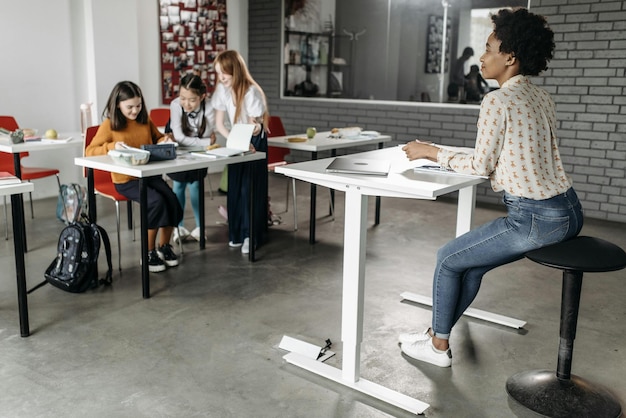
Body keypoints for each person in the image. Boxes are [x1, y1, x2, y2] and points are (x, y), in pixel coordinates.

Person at [399, 8, 584, 368]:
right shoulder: (540, 97)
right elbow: (513, 152)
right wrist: (442, 152)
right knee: (472, 266)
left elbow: (482, 166)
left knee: (447, 259)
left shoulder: (497, 100)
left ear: (510, 57)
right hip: (569, 211)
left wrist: (430, 152)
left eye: (488, 49)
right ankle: (437, 334)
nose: (482, 57)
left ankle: (437, 348)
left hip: (534, 219)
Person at [86, 81, 183, 273]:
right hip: (125, 180)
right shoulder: (109, 125)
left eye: (138, 106)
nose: (135, 111)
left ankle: (164, 247)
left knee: (172, 200)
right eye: (129, 107)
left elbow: (157, 138)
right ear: (118, 105)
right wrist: (112, 146)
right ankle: (148, 252)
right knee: (156, 202)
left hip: (149, 175)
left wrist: (165, 139)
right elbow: (90, 151)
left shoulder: (145, 120)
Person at [211, 49, 269, 254]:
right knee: (235, 189)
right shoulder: (222, 90)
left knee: (249, 190)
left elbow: (257, 126)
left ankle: (250, 235)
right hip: (237, 140)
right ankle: (236, 233)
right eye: (218, 74)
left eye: (224, 74)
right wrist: (235, 140)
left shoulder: (251, 92)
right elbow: (219, 124)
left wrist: (246, 138)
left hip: (254, 141)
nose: (221, 78)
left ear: (234, 70)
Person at [166, 73, 216, 243]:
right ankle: (178, 228)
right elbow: (179, 137)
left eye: (192, 100)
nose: (186, 104)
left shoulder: (210, 107)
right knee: (178, 186)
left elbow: (207, 137)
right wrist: (206, 141)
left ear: (202, 97)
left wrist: (204, 142)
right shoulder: (175, 105)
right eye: (182, 98)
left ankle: (200, 227)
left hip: (200, 154)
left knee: (196, 186)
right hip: (179, 152)